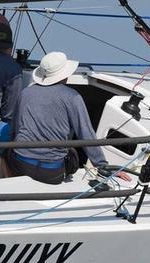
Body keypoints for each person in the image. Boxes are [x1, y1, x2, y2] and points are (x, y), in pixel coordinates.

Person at [8, 52, 130, 184]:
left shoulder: (25, 93)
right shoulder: (73, 97)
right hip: (51, 173)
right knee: (73, 152)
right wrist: (102, 166)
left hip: (20, 164)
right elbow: (86, 134)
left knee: (7, 151)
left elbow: (14, 129)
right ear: (65, 74)